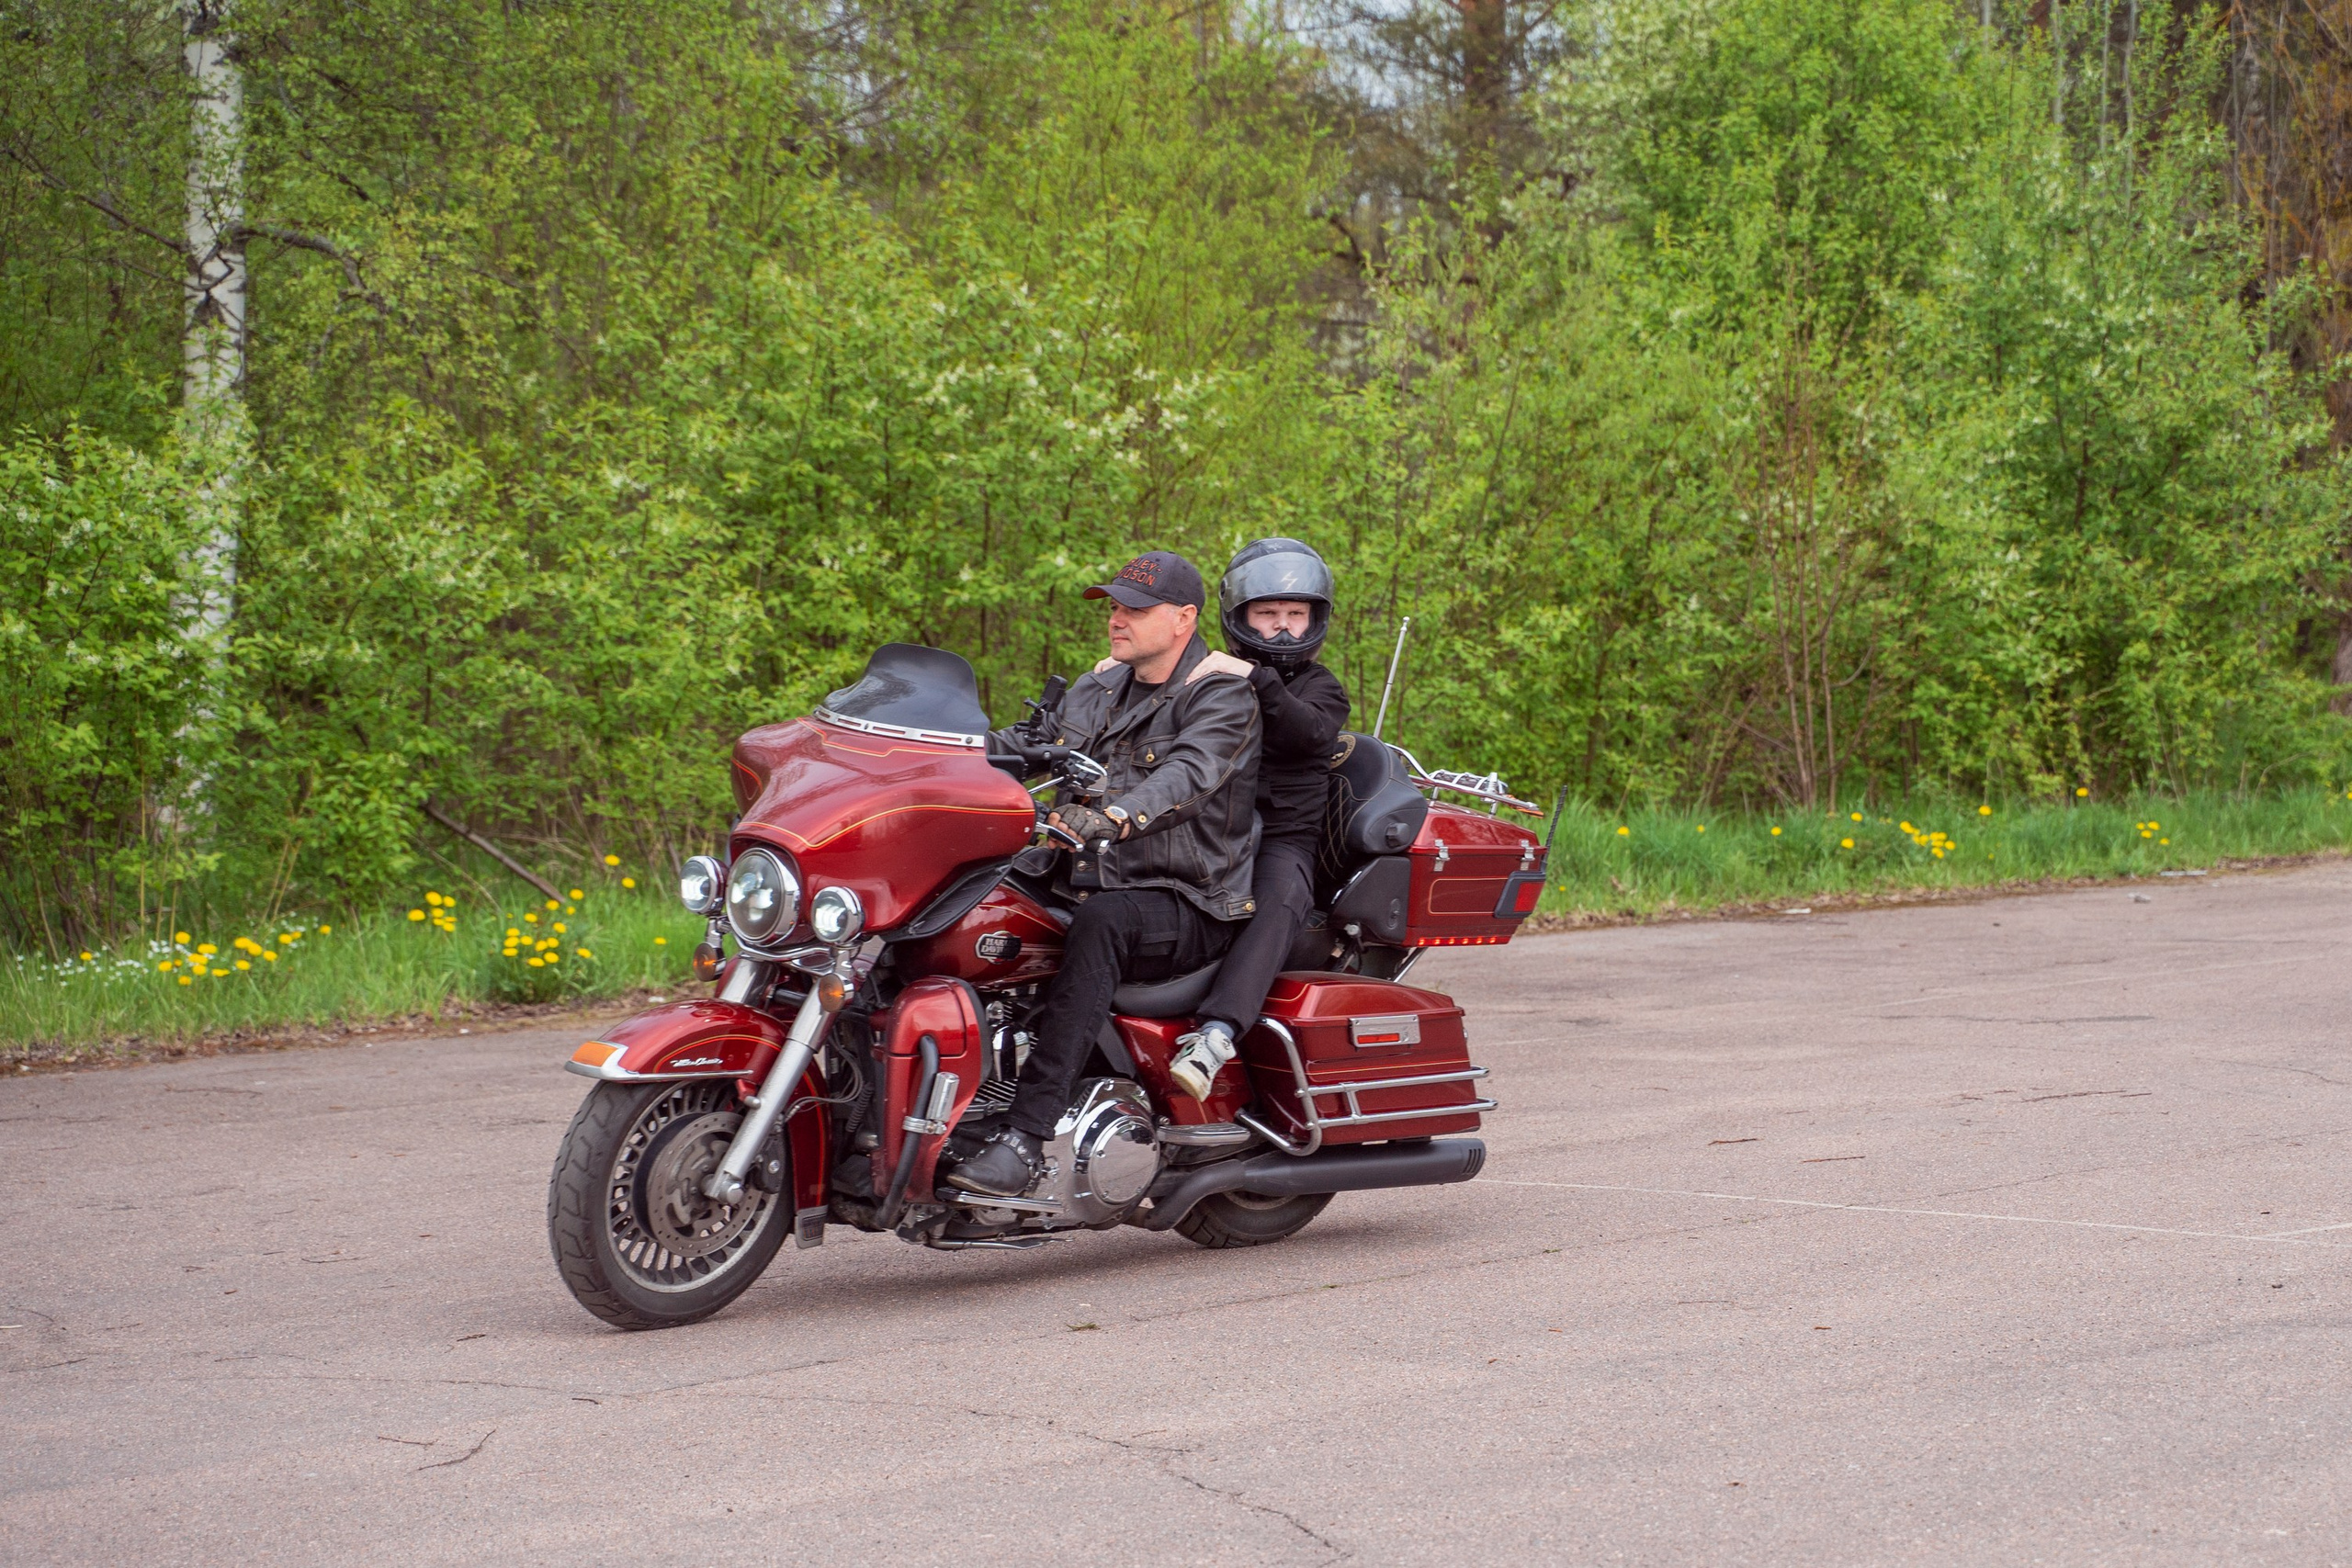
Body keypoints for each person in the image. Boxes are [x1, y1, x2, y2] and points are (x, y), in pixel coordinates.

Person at [942, 550, 1262, 1198]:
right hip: (1078, 873)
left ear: (1183, 618)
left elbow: (1189, 775)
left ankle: (1025, 1137)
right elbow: (1028, 744)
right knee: (959, 902)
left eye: (1134, 609)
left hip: (1183, 896)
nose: (1117, 619)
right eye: (1114, 606)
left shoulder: (1222, 694)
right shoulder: (1100, 686)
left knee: (1102, 922)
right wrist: (931, 752)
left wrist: (1113, 816)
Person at [1168, 538, 1351, 1099]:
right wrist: (1121, 677)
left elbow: (1308, 731)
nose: (1284, 629)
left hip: (1283, 842)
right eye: (1267, 614)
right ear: (1240, 617)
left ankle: (1216, 1034)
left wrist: (1254, 677)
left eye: (1296, 614)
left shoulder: (1320, 687)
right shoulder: (1211, 674)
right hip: (1208, 832)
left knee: (1280, 900)